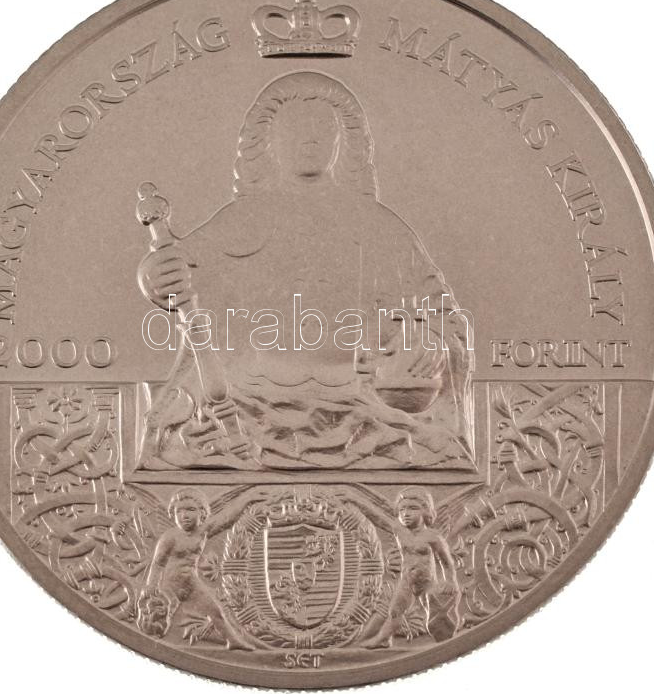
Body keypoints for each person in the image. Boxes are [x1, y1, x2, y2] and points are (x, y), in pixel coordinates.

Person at [137, 71, 473, 469]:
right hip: (248, 399)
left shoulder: (380, 227)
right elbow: (181, 268)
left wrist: (428, 339)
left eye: (322, 126)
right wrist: (155, 276)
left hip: (362, 402)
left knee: (430, 447)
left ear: (342, 140)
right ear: (268, 140)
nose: (309, 137)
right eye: (295, 126)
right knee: (182, 439)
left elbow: (445, 316)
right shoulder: (241, 220)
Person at [138, 487, 268, 648]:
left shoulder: (203, 532)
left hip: (191, 584)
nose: (184, 515)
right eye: (179, 511)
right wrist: (151, 586)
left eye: (190, 510)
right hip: (169, 586)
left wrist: (247, 499)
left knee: (216, 611)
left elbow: (227, 518)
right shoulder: (169, 537)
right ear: (173, 514)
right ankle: (150, 646)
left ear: (202, 513)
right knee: (156, 620)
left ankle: (233, 642)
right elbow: (158, 563)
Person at [339, 486, 459, 647]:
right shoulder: (400, 531)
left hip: (428, 583)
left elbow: (446, 562)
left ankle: (448, 642)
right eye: (402, 509)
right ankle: (383, 639)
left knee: (437, 617)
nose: (406, 514)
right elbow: (376, 516)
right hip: (407, 581)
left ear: (425, 511)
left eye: (412, 508)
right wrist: (353, 499)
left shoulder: (433, 537)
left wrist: (451, 581)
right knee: (395, 611)